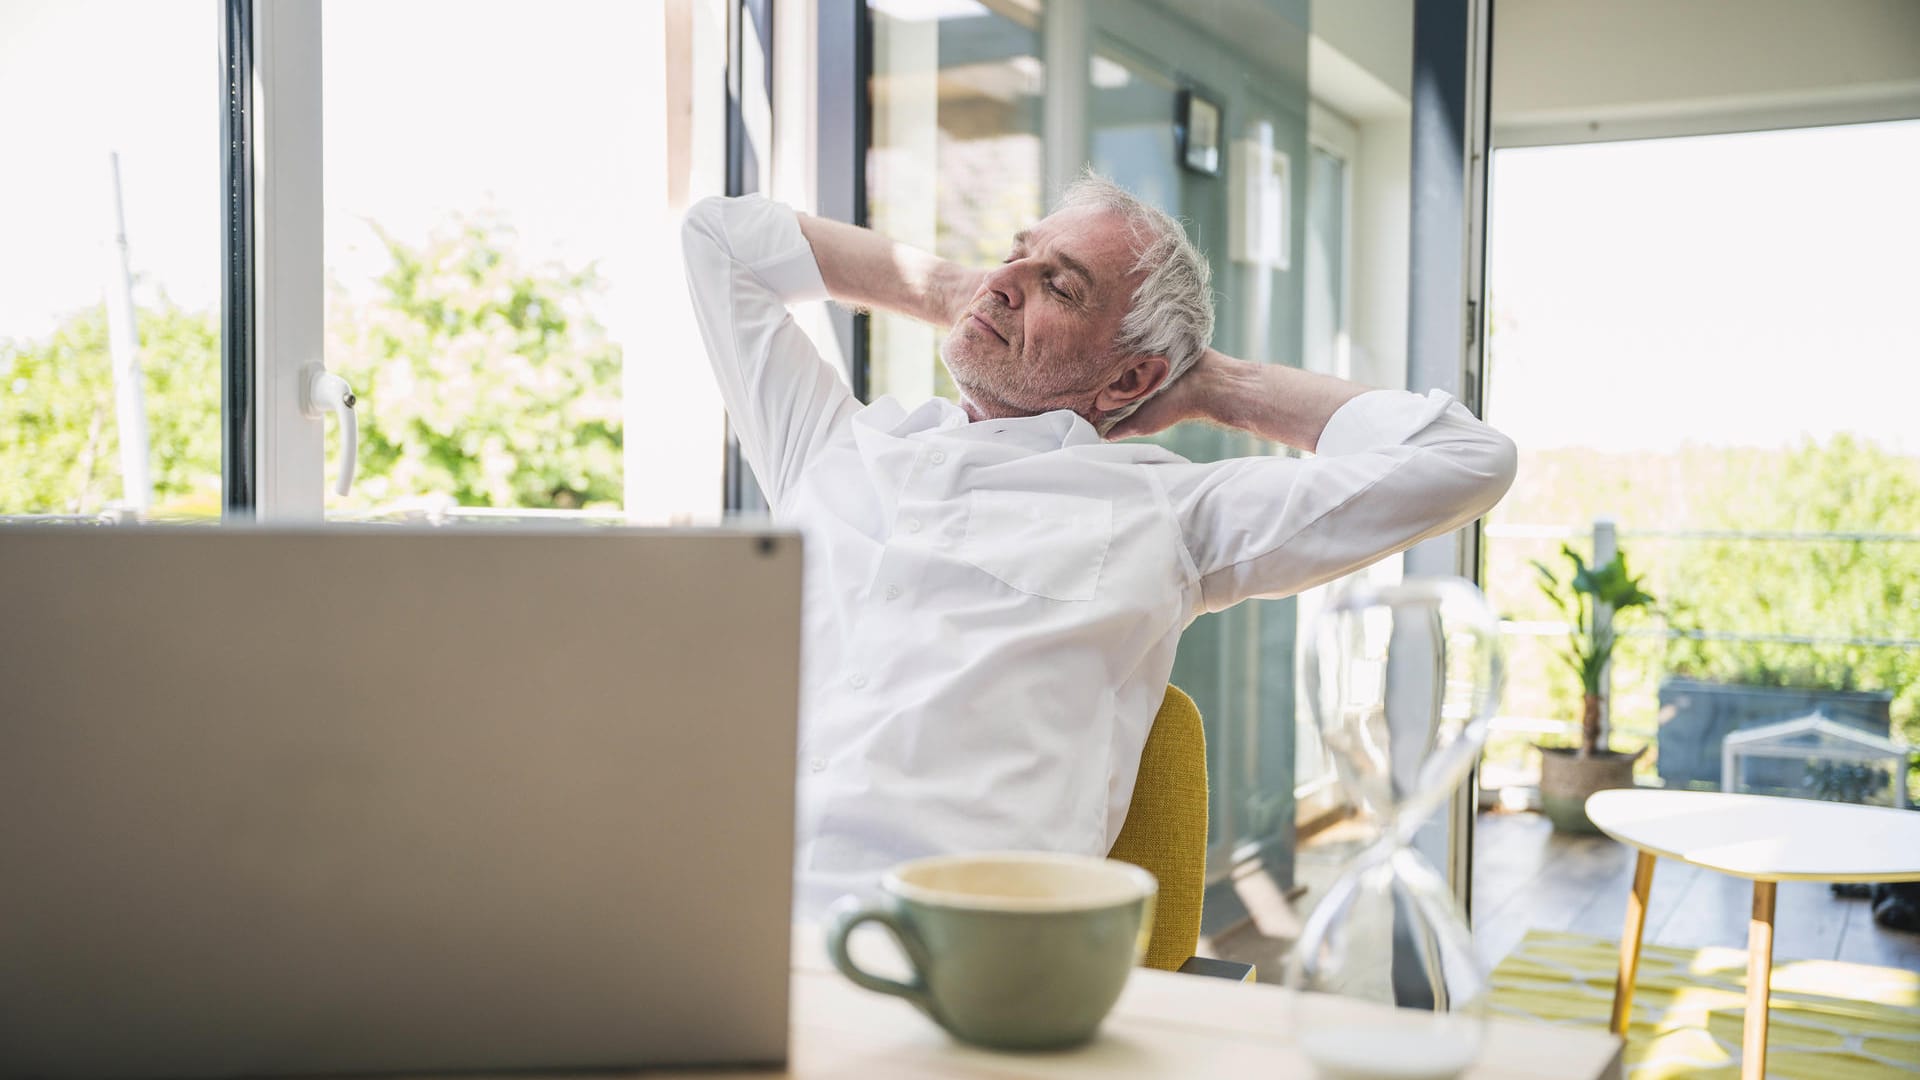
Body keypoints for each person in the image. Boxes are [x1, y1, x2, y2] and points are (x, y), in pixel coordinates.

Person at [681, 176, 1517, 914]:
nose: (1007, 282)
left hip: (963, 962)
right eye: (1015, 254)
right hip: (722, 922)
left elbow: (1465, 461)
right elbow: (718, 237)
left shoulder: (1169, 511)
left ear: (1129, 380)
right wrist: (958, 290)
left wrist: (1214, 385)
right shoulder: (831, 445)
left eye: (1062, 287)